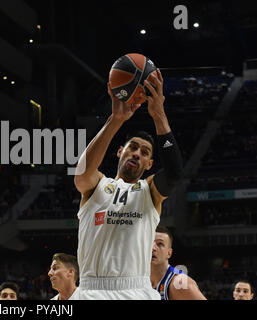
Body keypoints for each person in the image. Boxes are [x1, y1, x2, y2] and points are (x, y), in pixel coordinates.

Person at [74, 69, 183, 300]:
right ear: (120, 151)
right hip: (90, 290)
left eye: (144, 153)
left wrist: (159, 116)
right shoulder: (97, 186)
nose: (136, 154)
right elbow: (82, 174)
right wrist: (116, 120)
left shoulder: (149, 191)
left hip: (135, 289)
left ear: (150, 163)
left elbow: (174, 175)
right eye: (132, 147)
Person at [150, 225, 206, 300]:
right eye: (149, 243)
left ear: (169, 253)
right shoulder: (137, 279)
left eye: (160, 244)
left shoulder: (179, 283)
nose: (153, 248)